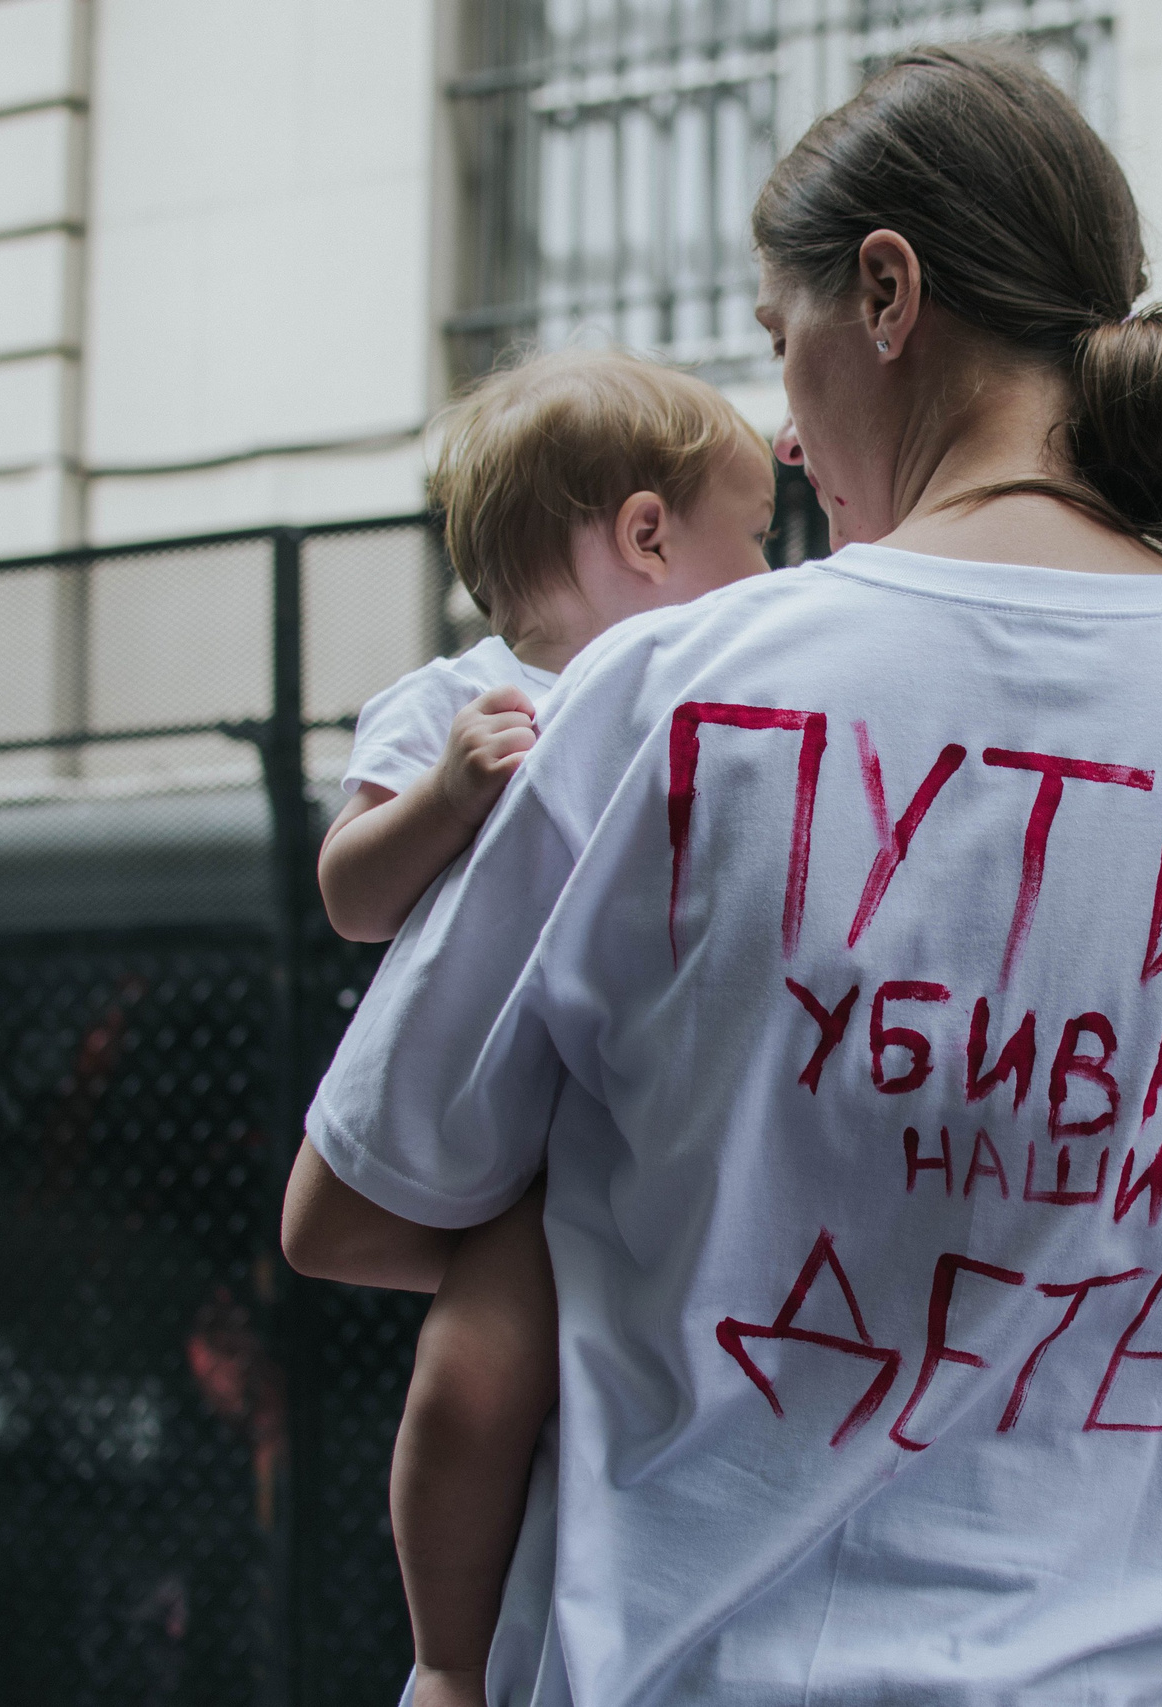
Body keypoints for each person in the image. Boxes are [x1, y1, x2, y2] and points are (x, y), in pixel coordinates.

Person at [286, 41, 1162, 1706]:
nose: (784, 432)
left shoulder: (673, 693)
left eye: (786, 350)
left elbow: (350, 1204)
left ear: (888, 293)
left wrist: (712, 1180)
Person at [296, 348, 777, 1707]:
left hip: (623, 1111)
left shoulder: (719, 693)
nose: (765, 571)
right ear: (645, 534)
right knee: (469, 1383)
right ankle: (449, 1662)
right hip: (500, 1131)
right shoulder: (465, 700)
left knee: (526, 1364)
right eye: (750, 538)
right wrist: (446, 799)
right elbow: (351, 894)